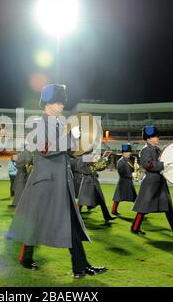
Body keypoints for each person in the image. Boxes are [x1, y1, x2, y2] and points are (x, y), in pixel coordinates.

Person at [7, 84, 107, 278]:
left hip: (63, 183)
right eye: (58, 101)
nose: (62, 105)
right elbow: (45, 148)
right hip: (45, 183)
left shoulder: (62, 124)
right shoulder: (38, 123)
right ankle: (26, 257)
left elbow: (68, 155)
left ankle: (81, 266)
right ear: (48, 103)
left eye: (63, 101)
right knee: (34, 222)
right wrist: (71, 138)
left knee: (70, 224)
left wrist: (88, 162)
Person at [131, 125, 173, 238]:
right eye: (155, 137)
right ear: (149, 138)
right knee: (144, 207)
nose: (158, 138)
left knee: (168, 207)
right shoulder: (145, 150)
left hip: (160, 182)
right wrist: (163, 165)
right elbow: (147, 164)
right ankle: (135, 228)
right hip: (150, 182)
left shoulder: (157, 149)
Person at [72, 155, 117, 225]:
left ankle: (107, 216)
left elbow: (98, 168)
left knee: (102, 201)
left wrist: (103, 162)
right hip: (87, 181)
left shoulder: (92, 157)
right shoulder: (83, 158)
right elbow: (80, 168)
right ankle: (76, 218)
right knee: (81, 202)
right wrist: (91, 168)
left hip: (94, 182)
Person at [112, 143, 137, 215]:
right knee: (117, 198)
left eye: (129, 152)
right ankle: (113, 211)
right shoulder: (121, 161)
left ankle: (139, 211)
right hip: (123, 182)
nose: (129, 153)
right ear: (123, 153)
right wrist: (131, 175)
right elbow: (121, 172)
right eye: (127, 152)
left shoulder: (128, 160)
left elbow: (131, 169)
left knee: (134, 197)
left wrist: (135, 171)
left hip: (128, 182)